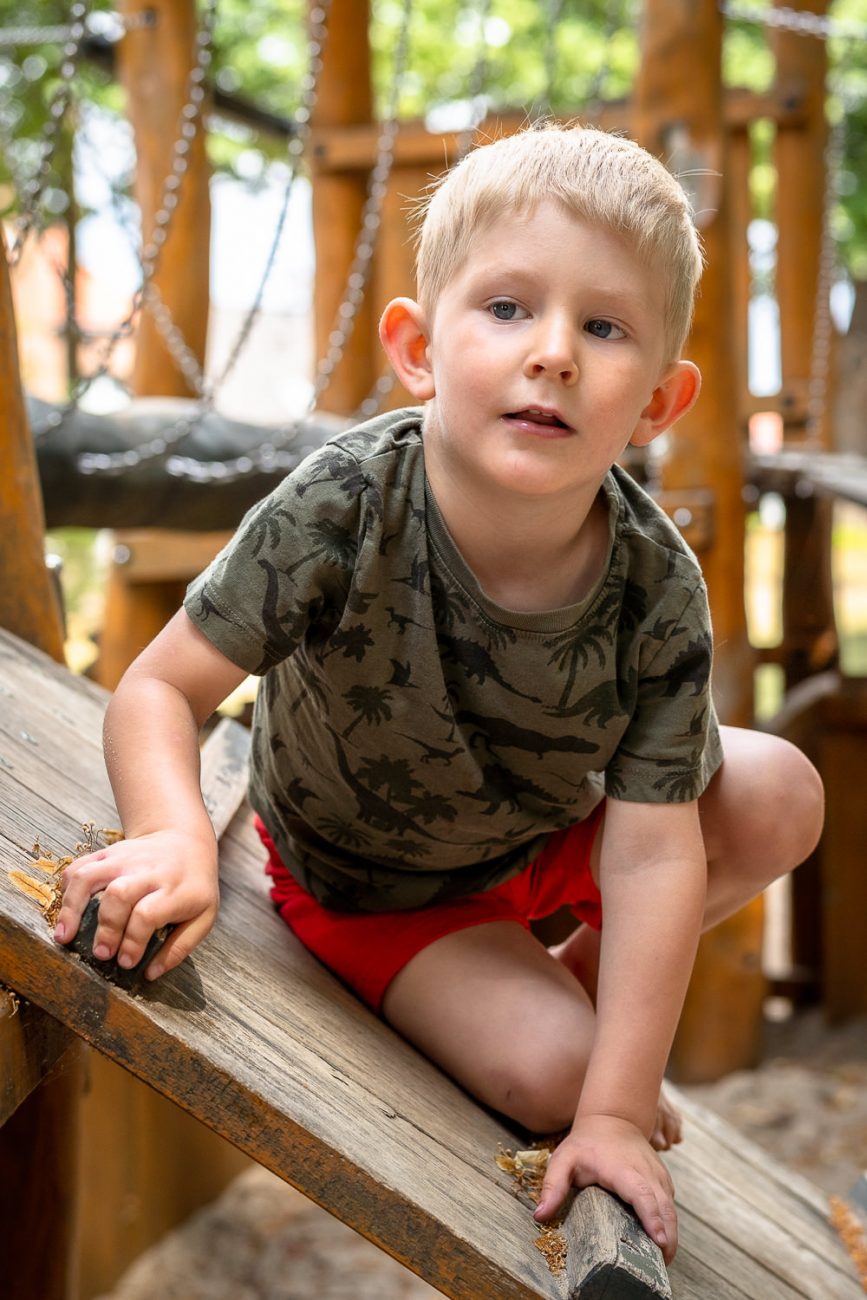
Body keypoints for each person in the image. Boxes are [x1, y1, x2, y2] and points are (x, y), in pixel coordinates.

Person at [54, 123, 823, 1263]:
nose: (553, 351)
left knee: (777, 790)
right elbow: (160, 688)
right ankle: (536, 1012)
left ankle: (572, 1000)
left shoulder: (656, 584)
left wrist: (621, 1111)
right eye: (508, 308)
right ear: (418, 347)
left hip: (537, 834)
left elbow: (657, 851)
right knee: (556, 1075)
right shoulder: (350, 502)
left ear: (657, 403)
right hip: (378, 885)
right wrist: (176, 837)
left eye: (603, 327)